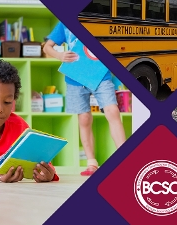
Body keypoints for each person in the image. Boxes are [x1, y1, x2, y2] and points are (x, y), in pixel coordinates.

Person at [43, 21, 126, 176]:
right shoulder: (63, 24)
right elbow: (47, 46)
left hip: (101, 75)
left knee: (112, 111)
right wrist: (60, 55)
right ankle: (91, 163)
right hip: (75, 76)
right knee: (84, 119)